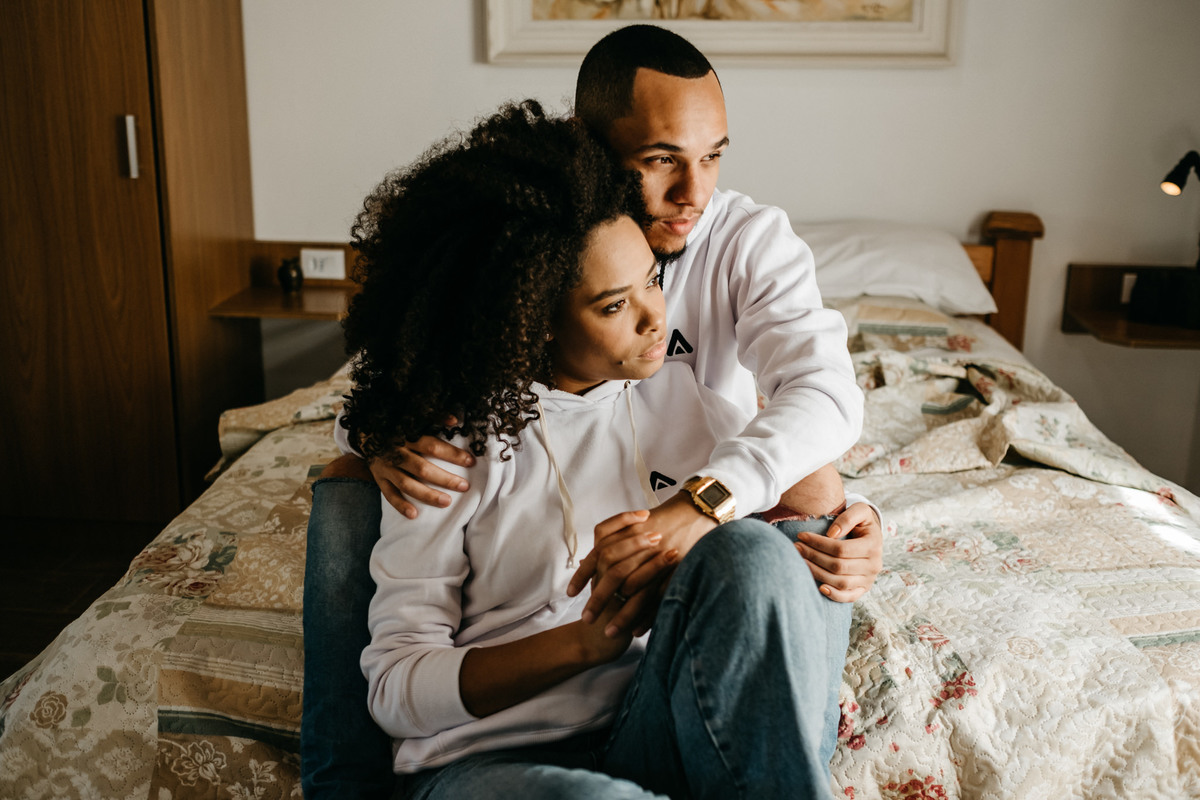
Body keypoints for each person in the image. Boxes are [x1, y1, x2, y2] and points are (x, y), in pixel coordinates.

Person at [300, 25, 883, 798]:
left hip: (650, 701)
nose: (694, 195)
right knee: (346, 489)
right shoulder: (457, 425)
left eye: (713, 156)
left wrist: (844, 518)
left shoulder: (714, 307)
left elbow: (820, 405)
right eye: (661, 160)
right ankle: (345, 783)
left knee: (782, 524)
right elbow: (390, 396)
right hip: (497, 747)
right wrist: (376, 439)